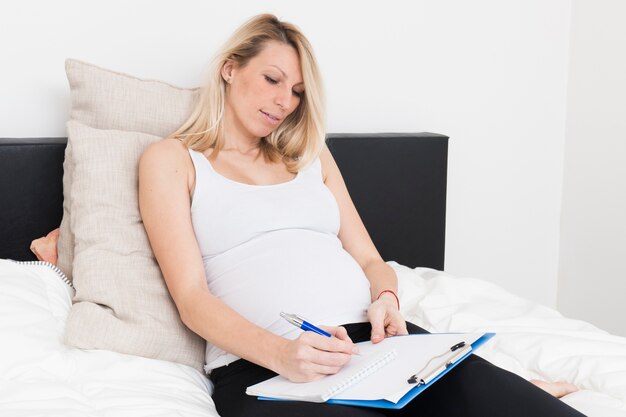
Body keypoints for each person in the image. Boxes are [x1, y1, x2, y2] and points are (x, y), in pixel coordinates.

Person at [138, 14, 582, 417]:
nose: (283, 102)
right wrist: (281, 355)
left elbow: (370, 260)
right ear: (230, 68)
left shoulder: (310, 157)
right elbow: (192, 298)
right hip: (265, 367)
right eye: (272, 79)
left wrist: (387, 299)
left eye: (296, 92)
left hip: (380, 348)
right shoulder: (172, 159)